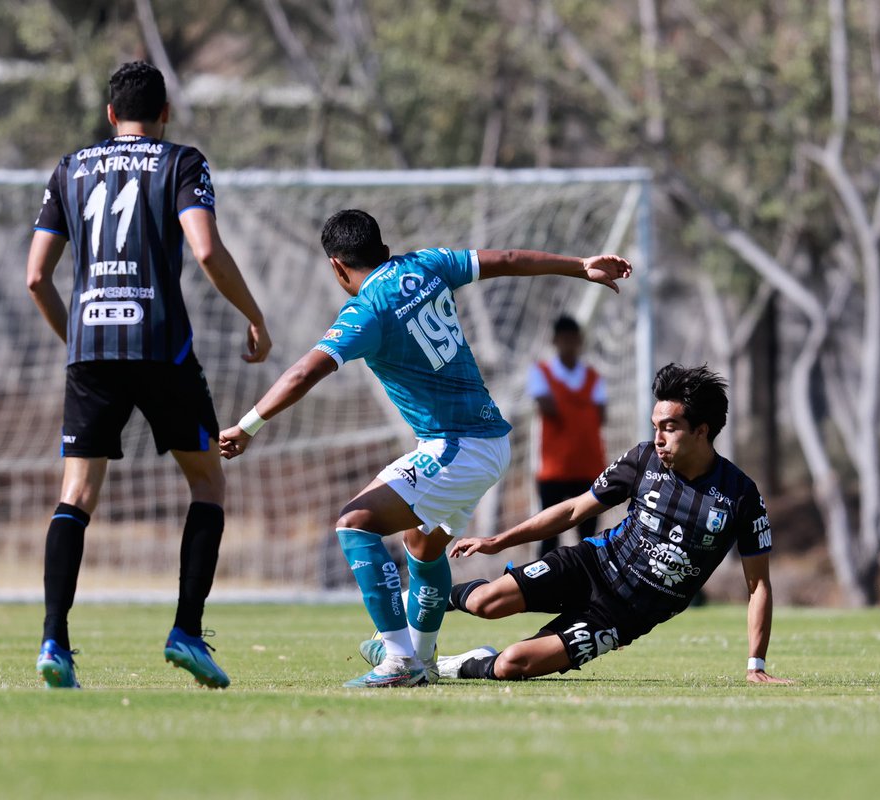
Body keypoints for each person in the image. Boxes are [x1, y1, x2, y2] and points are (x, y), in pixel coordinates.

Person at [218, 209, 632, 688]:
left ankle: (397, 659)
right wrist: (579, 265)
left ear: (337, 266)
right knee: (422, 545)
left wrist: (248, 425)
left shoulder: (366, 311)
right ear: (381, 246)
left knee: (354, 524)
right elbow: (511, 258)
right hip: (490, 443)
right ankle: (424, 658)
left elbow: (303, 372)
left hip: (457, 447)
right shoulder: (428, 264)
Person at [26, 61, 272, 689]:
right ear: (166, 113)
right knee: (208, 483)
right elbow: (208, 249)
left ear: (111, 115)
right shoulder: (181, 162)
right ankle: (186, 631)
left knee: (76, 496)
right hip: (161, 345)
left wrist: (76, 338)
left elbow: (35, 276)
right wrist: (253, 315)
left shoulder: (69, 167)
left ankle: (55, 642)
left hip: (89, 349)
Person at [364, 364, 792, 685]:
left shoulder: (739, 495)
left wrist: (756, 665)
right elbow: (572, 511)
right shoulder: (642, 459)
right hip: (592, 564)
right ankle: (417, 598)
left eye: (670, 428)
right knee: (485, 602)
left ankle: (451, 665)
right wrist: (500, 540)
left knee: (514, 664)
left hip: (622, 616)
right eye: (655, 427)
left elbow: (758, 585)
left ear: (702, 431)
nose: (659, 437)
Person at [527, 315, 608, 558]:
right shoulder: (540, 372)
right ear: (555, 341)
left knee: (588, 539)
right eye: (564, 339)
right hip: (554, 470)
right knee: (548, 535)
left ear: (580, 341)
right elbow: (548, 408)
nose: (569, 345)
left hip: (589, 467)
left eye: (573, 340)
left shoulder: (594, 376)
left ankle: (587, 592)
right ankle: (540, 590)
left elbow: (602, 416)